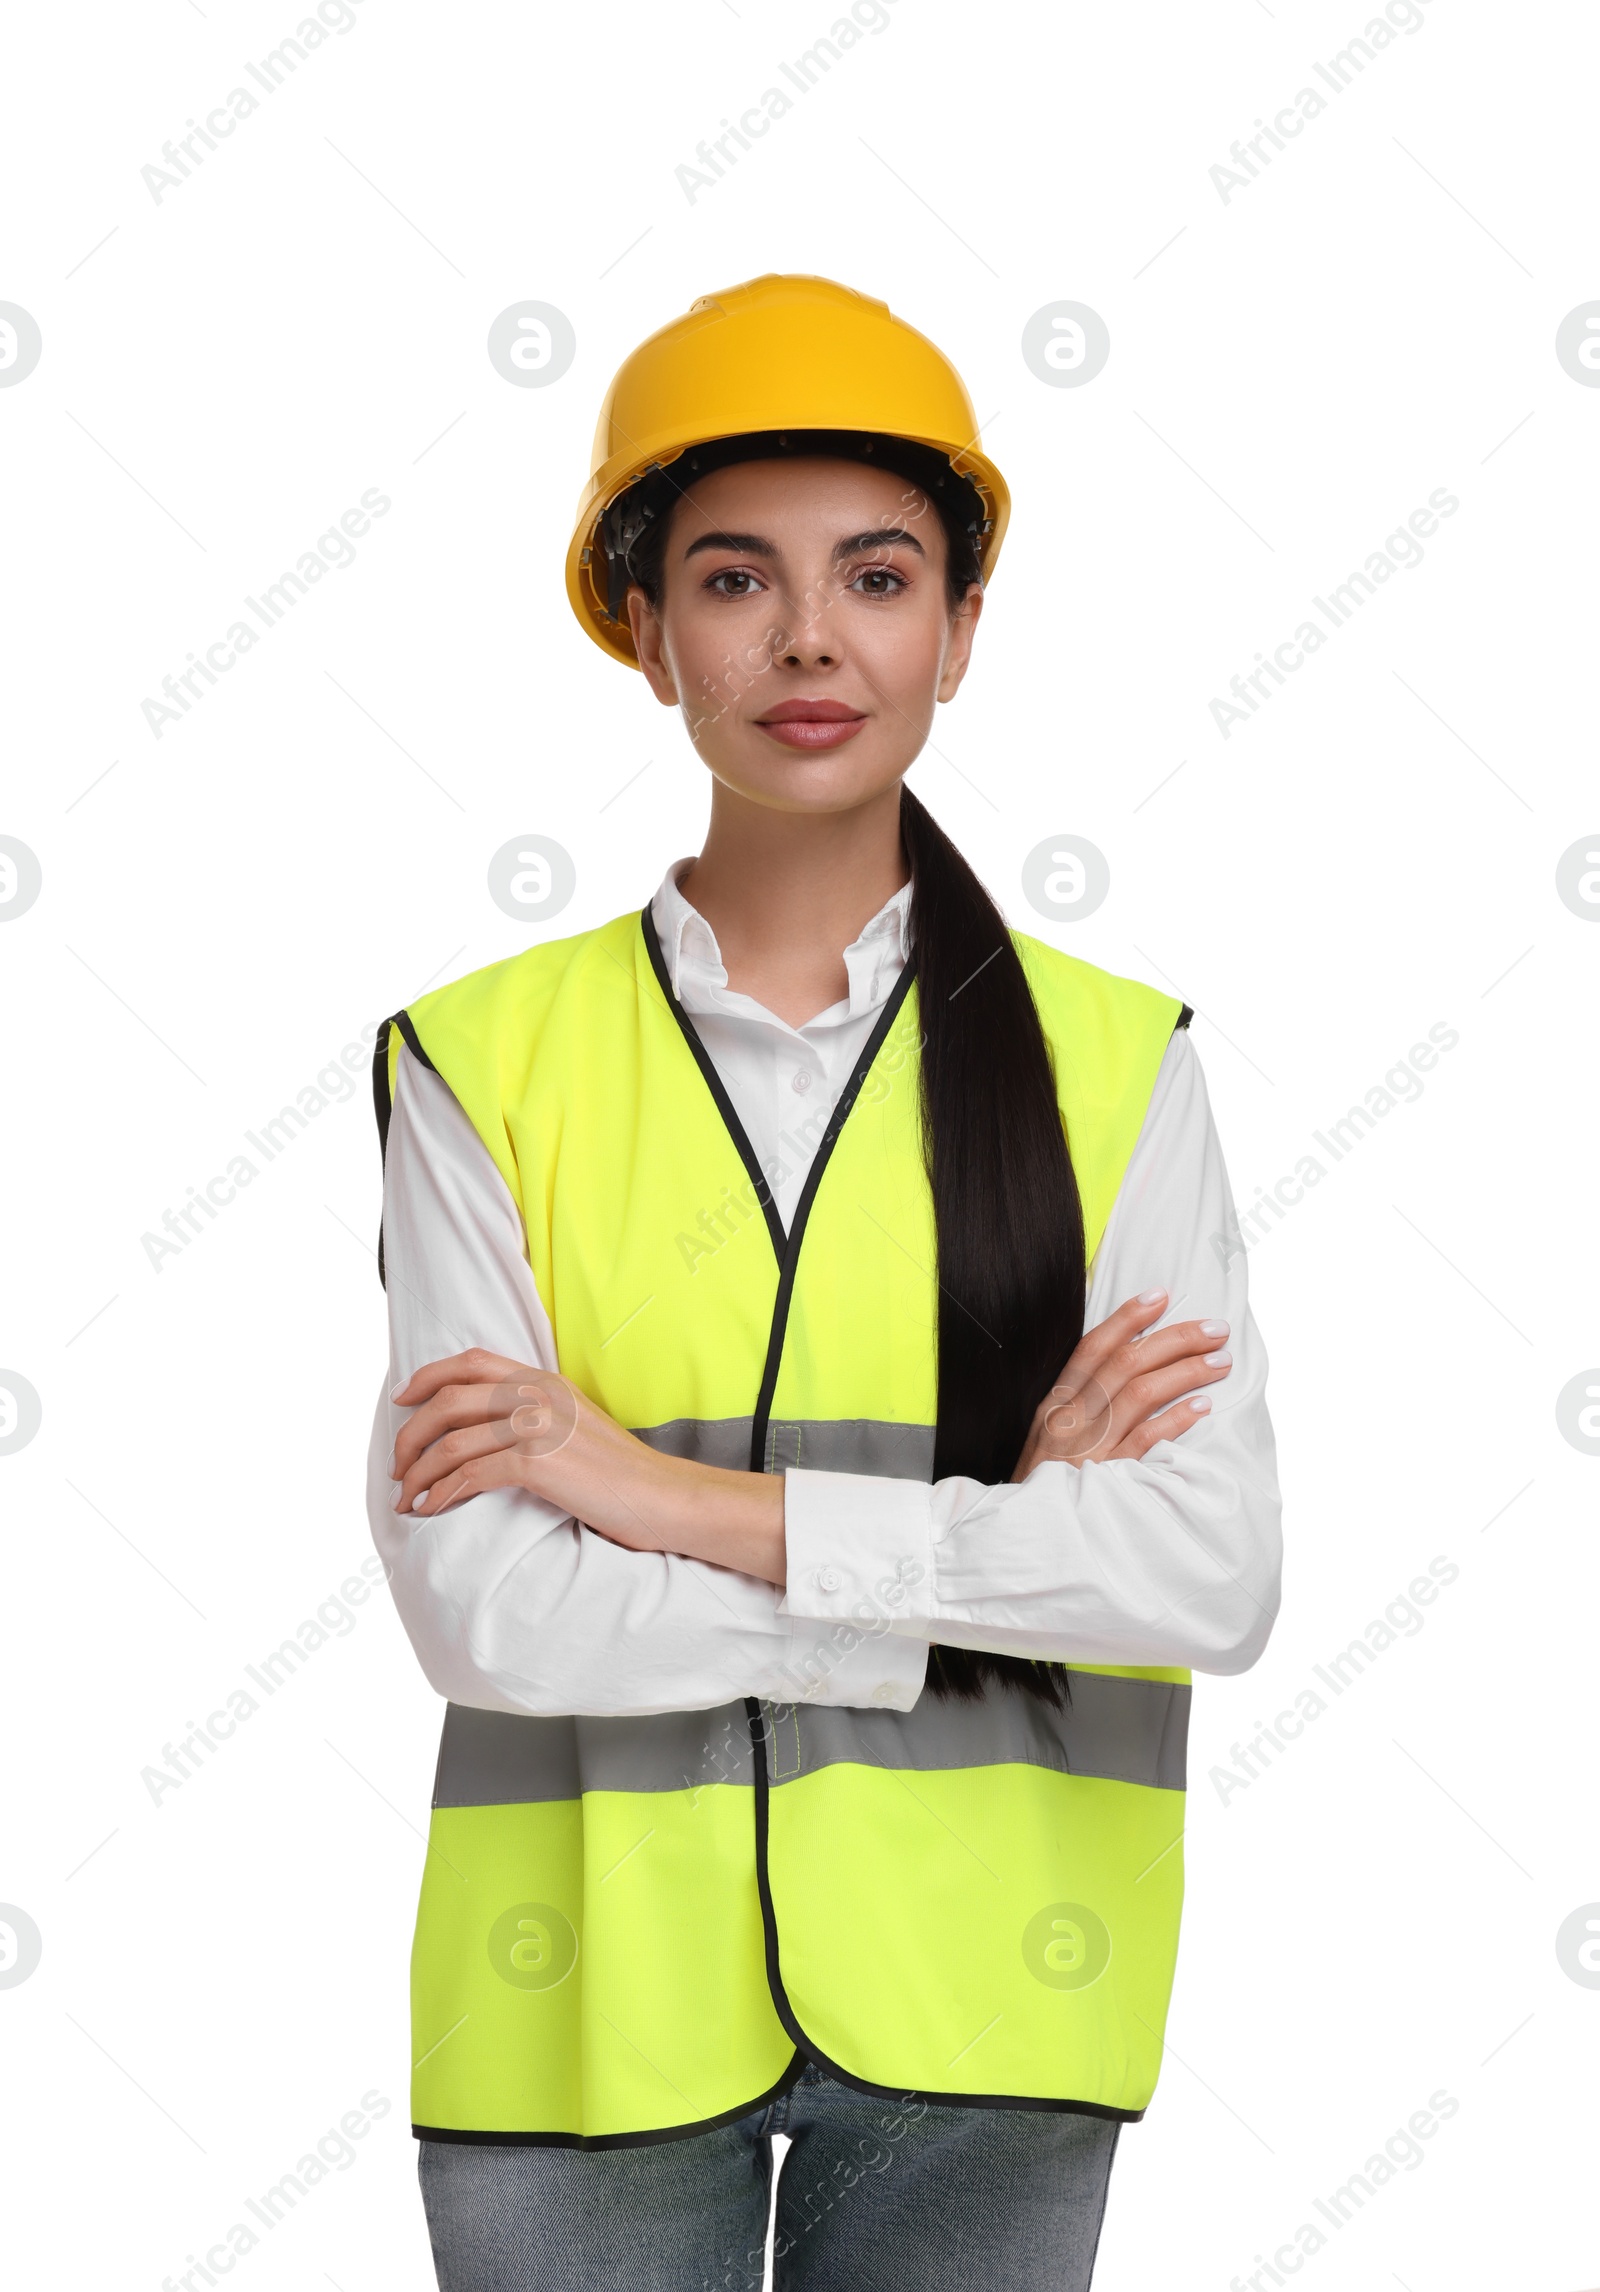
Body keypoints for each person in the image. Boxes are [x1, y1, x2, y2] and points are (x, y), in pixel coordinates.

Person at [365, 272, 1283, 2292]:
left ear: (955, 630)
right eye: (729, 577)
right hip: (577, 2015)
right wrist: (972, 1586)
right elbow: (492, 1611)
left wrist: (668, 1499)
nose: (805, 639)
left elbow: (1201, 1578)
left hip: (992, 2006)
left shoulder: (1118, 1064)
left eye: (874, 576)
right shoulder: (476, 1063)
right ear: (643, 630)